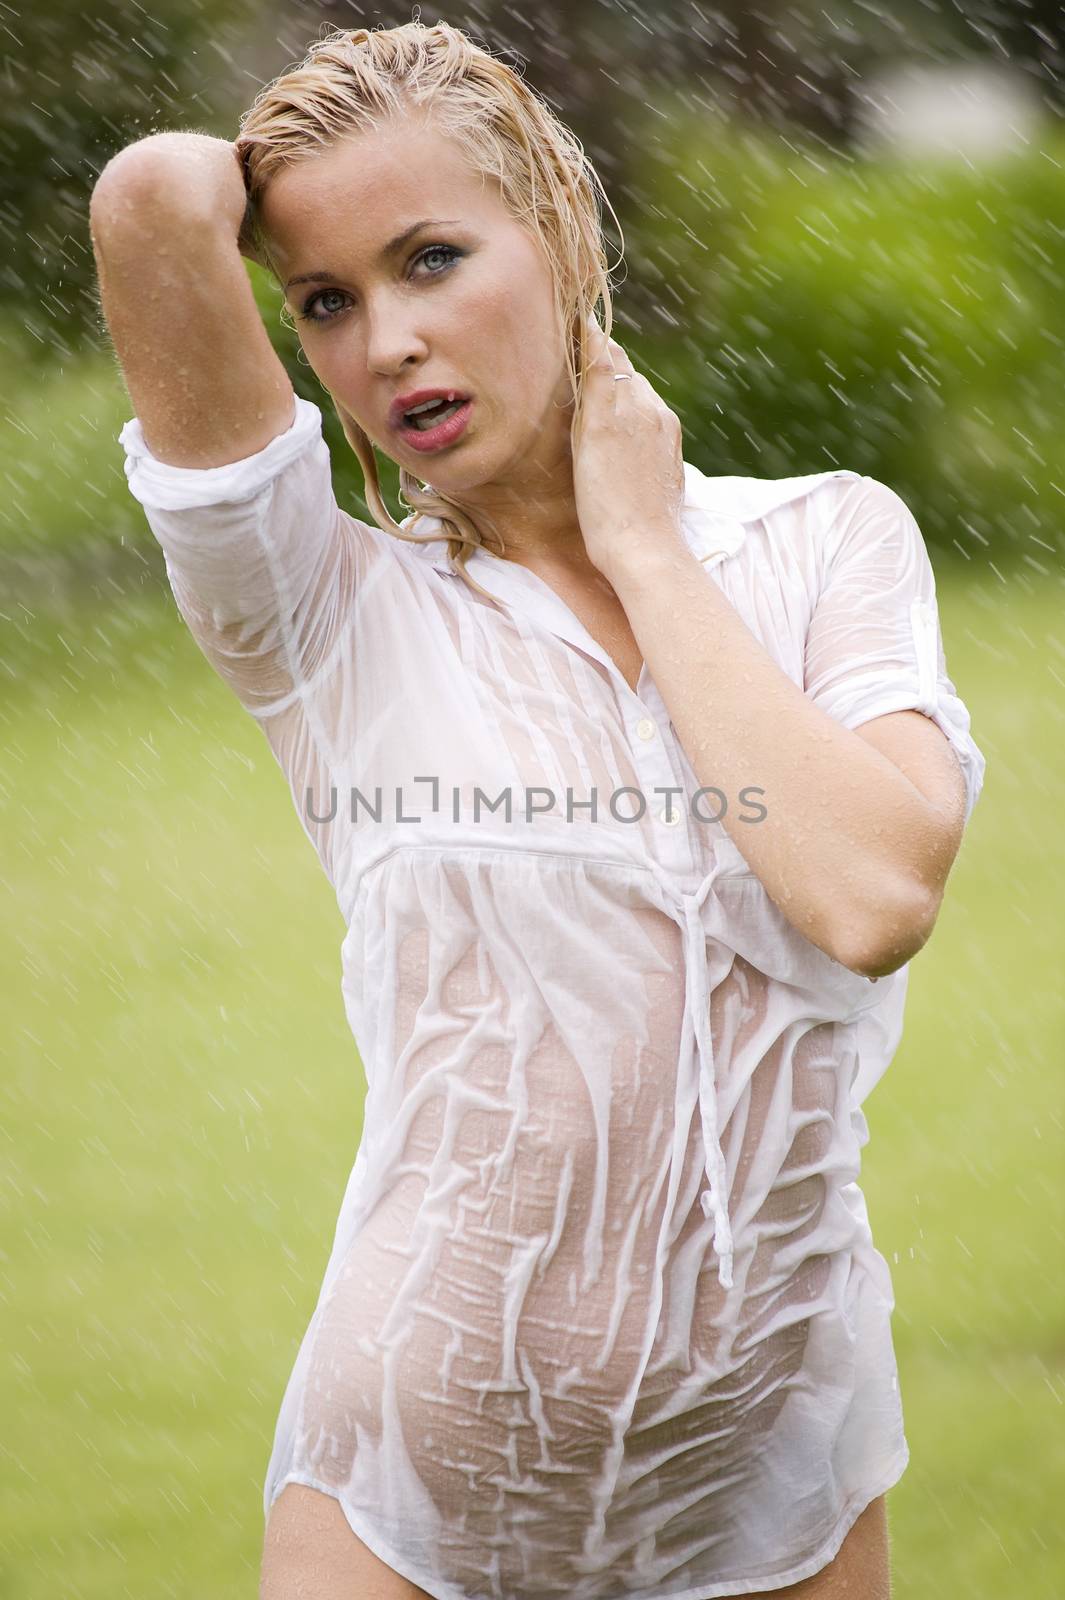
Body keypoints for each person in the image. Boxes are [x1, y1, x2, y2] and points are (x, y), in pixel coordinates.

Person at [89, 20, 986, 1600]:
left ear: (559, 233)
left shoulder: (826, 544)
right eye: (326, 301)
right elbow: (154, 204)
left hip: (772, 1479)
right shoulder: (320, 612)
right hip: (410, 1495)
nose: (387, 345)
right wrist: (323, 137)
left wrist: (643, 546)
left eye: (432, 258)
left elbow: (869, 896)